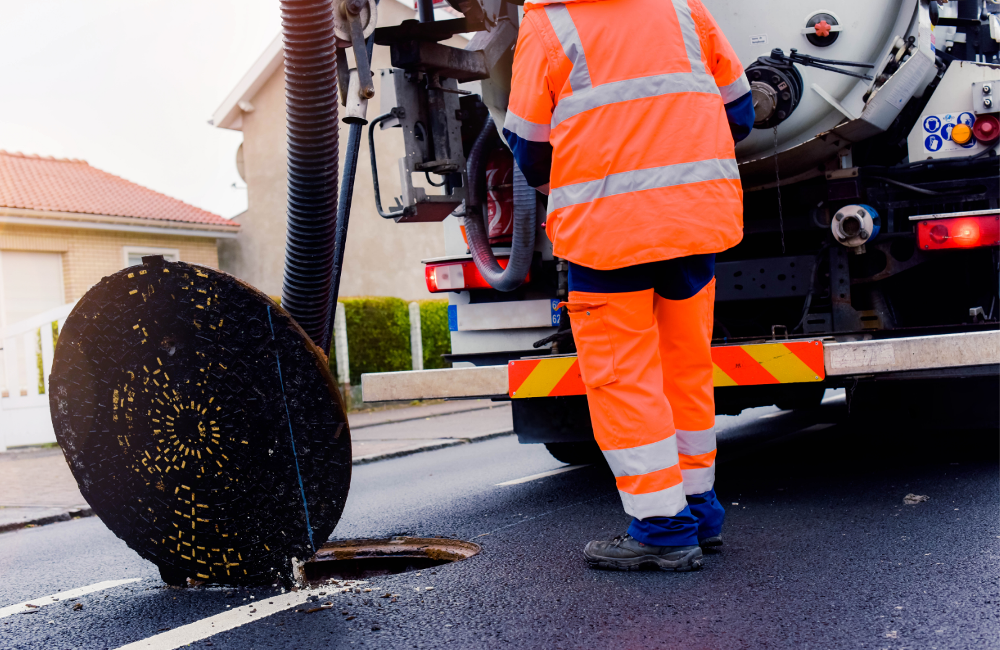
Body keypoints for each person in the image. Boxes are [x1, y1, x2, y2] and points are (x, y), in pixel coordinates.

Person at [502, 0, 755, 571]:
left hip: (606, 232)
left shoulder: (548, 26)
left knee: (624, 377)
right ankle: (700, 510)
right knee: (686, 369)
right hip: (693, 222)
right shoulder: (684, 10)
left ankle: (662, 530)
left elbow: (530, 150)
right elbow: (740, 113)